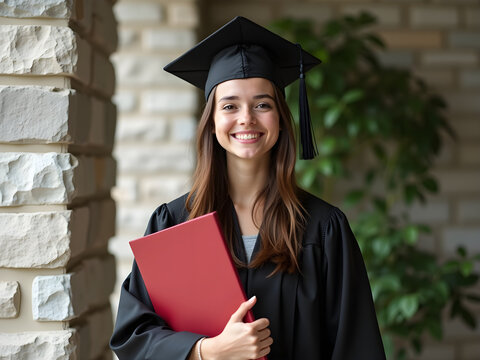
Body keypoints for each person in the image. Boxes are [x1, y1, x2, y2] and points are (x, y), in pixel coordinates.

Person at [110, 16, 386, 360]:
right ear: (211, 122)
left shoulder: (324, 229)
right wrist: (206, 351)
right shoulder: (174, 222)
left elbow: (357, 348)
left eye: (262, 104)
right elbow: (132, 337)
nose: (246, 118)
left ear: (282, 119)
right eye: (229, 106)